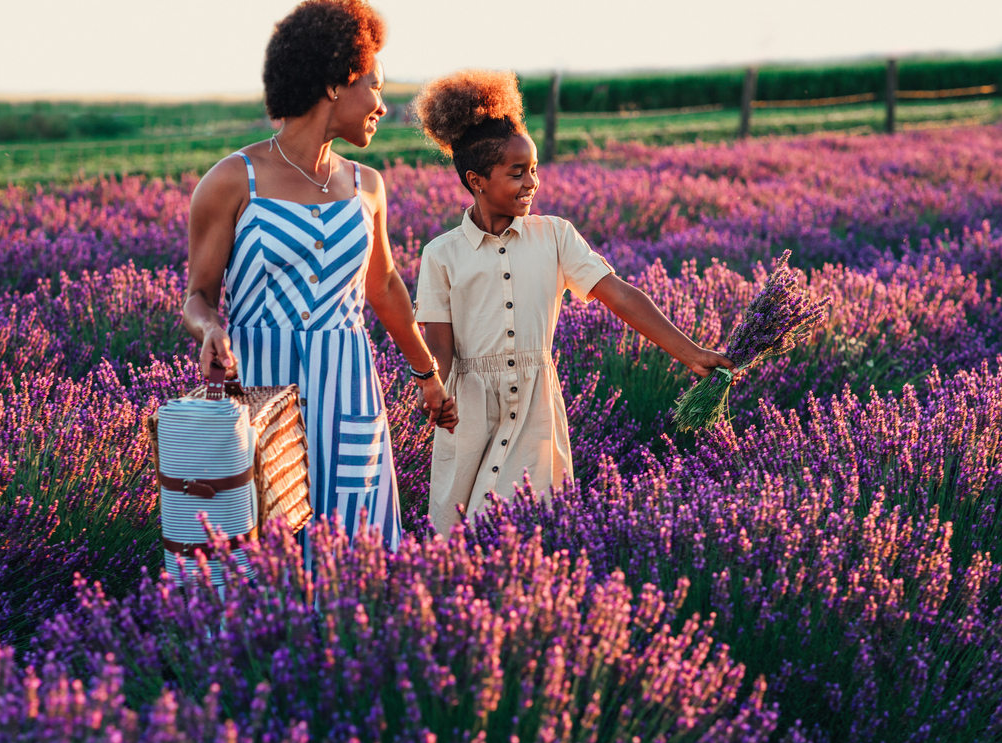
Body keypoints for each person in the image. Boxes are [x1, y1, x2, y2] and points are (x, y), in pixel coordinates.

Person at [183, 0, 456, 551]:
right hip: (262, 390)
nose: (383, 104)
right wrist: (208, 329)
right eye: (374, 86)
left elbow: (383, 289)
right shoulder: (234, 180)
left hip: (349, 393)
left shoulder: (368, 185)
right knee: (259, 556)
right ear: (335, 82)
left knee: (358, 555)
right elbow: (198, 296)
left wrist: (428, 377)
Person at [412, 70, 735, 532]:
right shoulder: (441, 254)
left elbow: (620, 296)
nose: (533, 183)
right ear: (476, 180)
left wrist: (693, 353)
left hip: (534, 410)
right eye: (517, 173)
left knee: (514, 525)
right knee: (458, 533)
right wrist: (436, 389)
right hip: (469, 408)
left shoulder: (556, 236)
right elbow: (438, 343)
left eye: (535, 169)